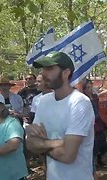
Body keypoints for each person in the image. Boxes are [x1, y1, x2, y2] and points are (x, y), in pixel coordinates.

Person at [26, 51, 94, 180]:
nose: (43, 73)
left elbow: (68, 156)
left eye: (49, 68)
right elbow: (30, 143)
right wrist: (59, 143)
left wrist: (42, 144)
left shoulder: (80, 103)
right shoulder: (44, 101)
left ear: (66, 73)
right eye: (43, 69)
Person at [82, 79, 107, 178]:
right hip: (89, 123)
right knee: (92, 144)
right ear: (84, 89)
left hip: (98, 122)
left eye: (90, 86)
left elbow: (106, 90)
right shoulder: (82, 98)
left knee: (101, 142)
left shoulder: (94, 96)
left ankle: (100, 159)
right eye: (87, 87)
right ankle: (92, 166)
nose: (89, 89)